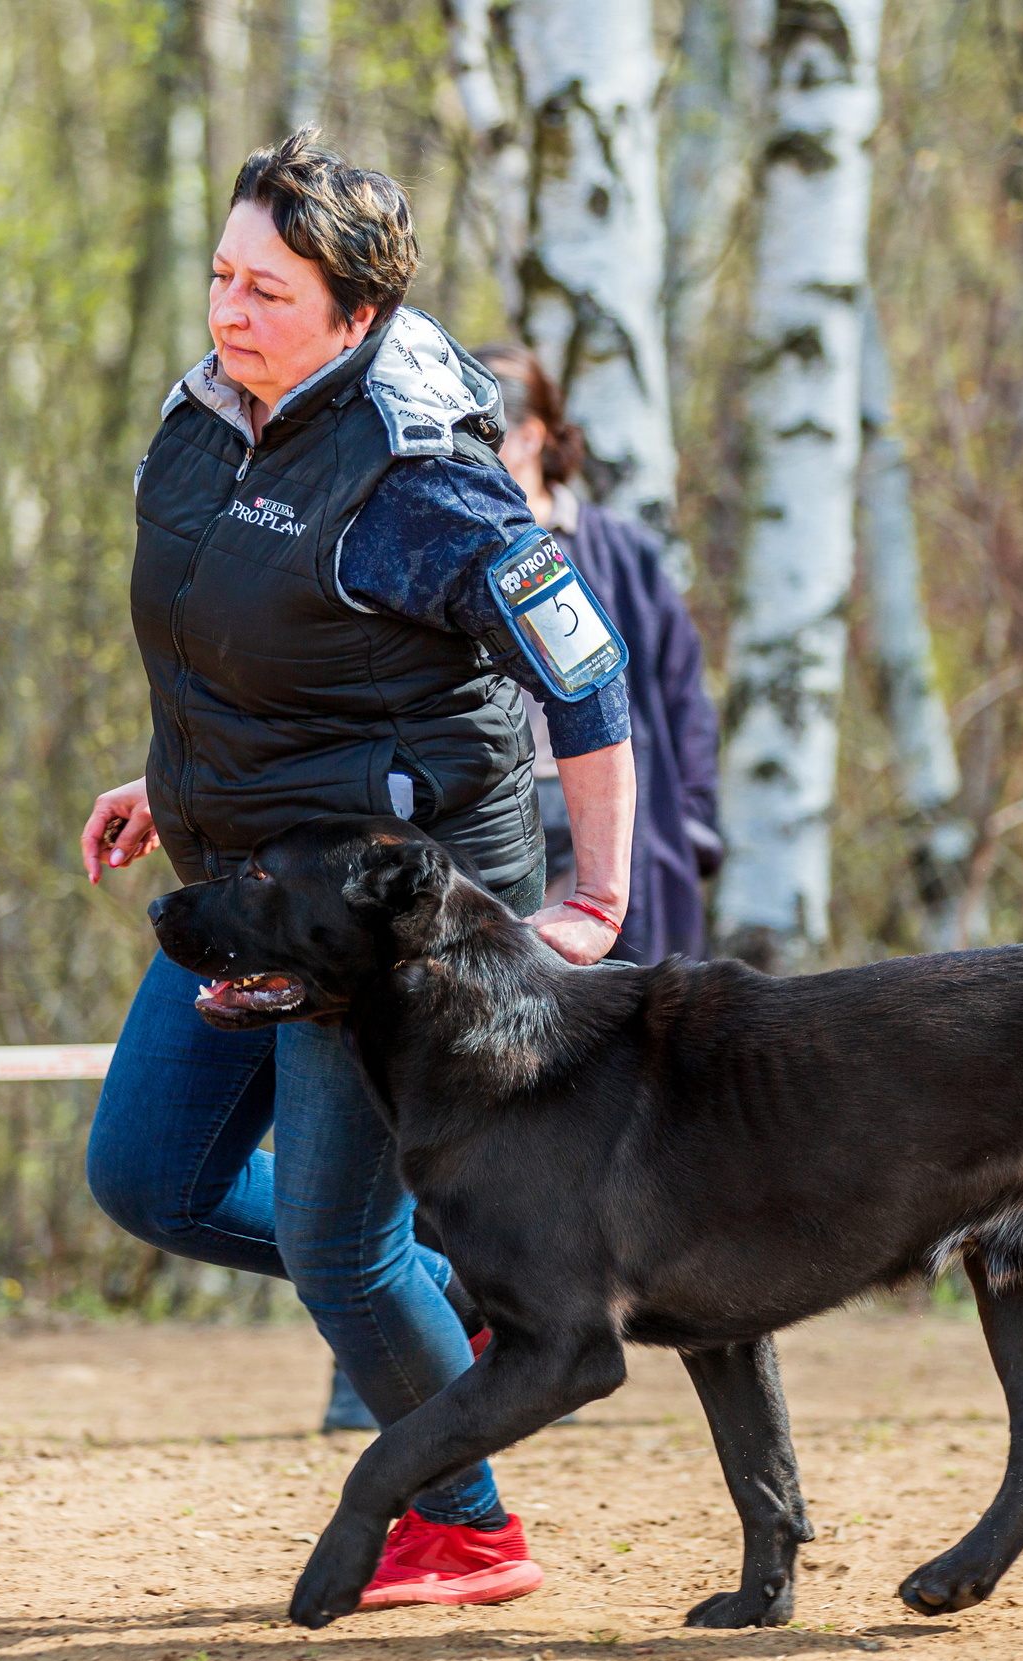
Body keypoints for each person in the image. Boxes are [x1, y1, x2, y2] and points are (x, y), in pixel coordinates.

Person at [81, 131, 637, 1608]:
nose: (228, 310)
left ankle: (467, 1520)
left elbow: (585, 672)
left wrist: (597, 895)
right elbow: (258, 636)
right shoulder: (209, 411)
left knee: (336, 1241)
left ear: (357, 312)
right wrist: (178, 780)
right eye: (221, 274)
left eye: (268, 289)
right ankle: (437, 1295)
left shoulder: (419, 472)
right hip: (253, 866)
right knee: (144, 1172)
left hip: (390, 912)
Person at [318, 347, 722, 1434]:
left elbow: (665, 694)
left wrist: (684, 836)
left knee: (576, 1125)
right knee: (425, 1118)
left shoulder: (615, 551)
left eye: (495, 420)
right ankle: (384, 1369)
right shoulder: (407, 519)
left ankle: (564, 1316)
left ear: (536, 432)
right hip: (467, 834)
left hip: (589, 834)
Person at [476, 343, 721, 967]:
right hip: (489, 814)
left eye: (481, 431)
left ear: (529, 437)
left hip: (601, 814)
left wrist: (691, 825)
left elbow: (682, 692)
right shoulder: (449, 543)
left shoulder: (620, 551)